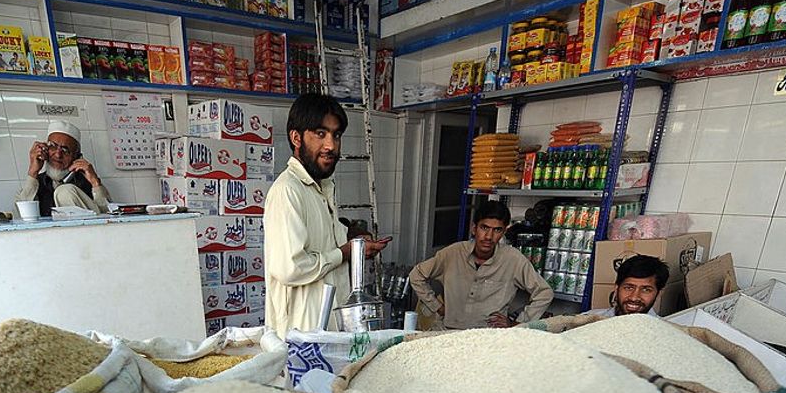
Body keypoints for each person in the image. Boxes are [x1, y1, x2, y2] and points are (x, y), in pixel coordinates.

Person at [263, 93, 389, 336]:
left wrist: (357, 245)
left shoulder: (323, 188)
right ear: (296, 137)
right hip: (301, 337)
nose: (331, 145)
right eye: (320, 134)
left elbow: (324, 241)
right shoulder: (287, 191)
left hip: (329, 328)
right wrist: (344, 253)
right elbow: (290, 267)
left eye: (336, 135)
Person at [409, 200, 553, 329]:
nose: (489, 237)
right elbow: (416, 275)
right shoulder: (453, 253)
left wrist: (519, 323)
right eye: (484, 228)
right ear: (474, 228)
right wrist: (437, 306)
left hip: (488, 338)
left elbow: (544, 292)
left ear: (503, 232)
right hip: (449, 332)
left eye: (497, 230)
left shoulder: (513, 259)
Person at [15, 119, 112, 215]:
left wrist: (95, 182)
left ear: (77, 156)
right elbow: (20, 217)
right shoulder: (37, 183)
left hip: (87, 230)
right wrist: (32, 173)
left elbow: (111, 216)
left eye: (65, 150)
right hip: (50, 231)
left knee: (64, 192)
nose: (58, 155)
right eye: (52, 146)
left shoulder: (87, 182)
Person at [586, 254, 670, 317]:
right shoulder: (587, 322)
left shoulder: (665, 333)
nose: (634, 297)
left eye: (646, 290)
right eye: (628, 288)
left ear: (659, 293)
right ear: (616, 288)